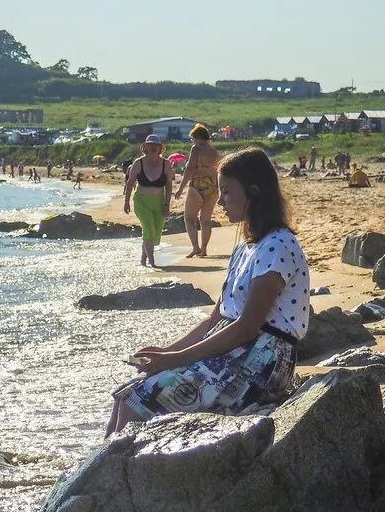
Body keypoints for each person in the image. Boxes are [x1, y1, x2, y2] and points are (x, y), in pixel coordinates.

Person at [106, 148, 308, 437]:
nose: (220, 199)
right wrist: (167, 352)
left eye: (226, 191)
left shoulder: (278, 246)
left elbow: (247, 328)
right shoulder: (245, 247)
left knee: (136, 402)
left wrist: (176, 360)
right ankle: (96, 477)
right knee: (125, 395)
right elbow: (216, 318)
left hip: (260, 361)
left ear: (253, 192)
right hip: (234, 349)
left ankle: (108, 479)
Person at [123, 134, 174, 267]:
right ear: (145, 147)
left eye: (155, 145)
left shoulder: (166, 164)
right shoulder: (138, 163)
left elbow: (169, 186)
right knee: (148, 229)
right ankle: (152, 261)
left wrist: (167, 204)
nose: (153, 147)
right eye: (150, 145)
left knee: (155, 234)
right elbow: (130, 183)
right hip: (141, 201)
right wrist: (126, 202)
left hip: (159, 202)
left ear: (160, 148)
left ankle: (143, 259)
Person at [173, 123, 220, 258]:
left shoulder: (196, 149)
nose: (192, 141)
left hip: (198, 185)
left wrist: (181, 188)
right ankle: (204, 249)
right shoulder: (214, 151)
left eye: (193, 138)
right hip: (212, 186)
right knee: (205, 220)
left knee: (189, 218)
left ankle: (195, 248)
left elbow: (190, 169)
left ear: (197, 137)